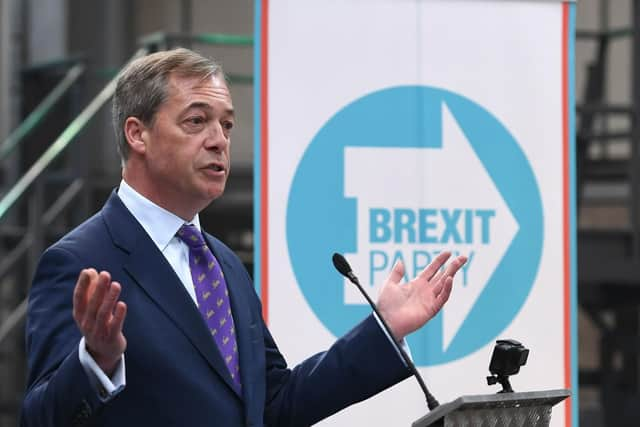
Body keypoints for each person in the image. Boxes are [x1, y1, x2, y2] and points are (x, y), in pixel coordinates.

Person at [21, 48, 467, 427]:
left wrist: (382, 331)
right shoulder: (80, 261)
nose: (219, 140)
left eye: (227, 125)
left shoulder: (222, 264)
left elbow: (273, 404)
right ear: (137, 134)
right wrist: (94, 362)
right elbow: (39, 417)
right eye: (197, 121)